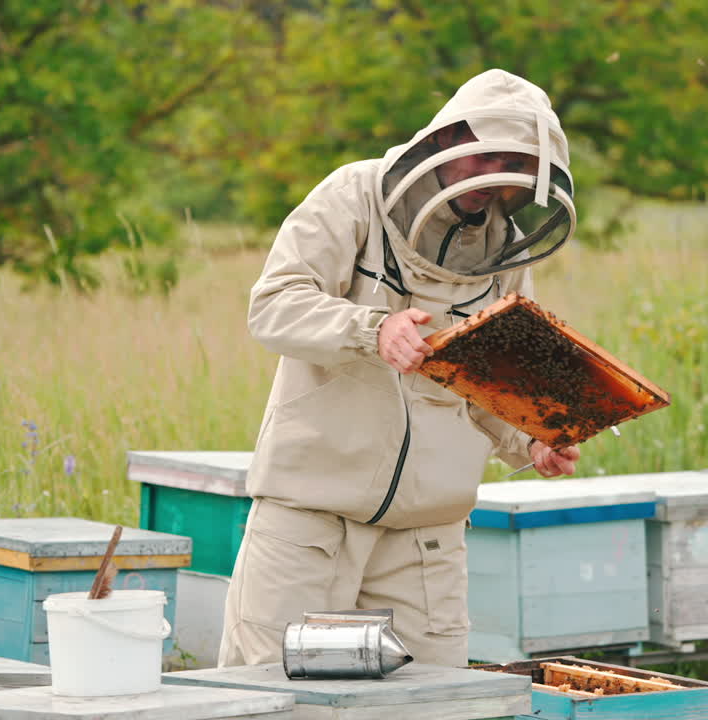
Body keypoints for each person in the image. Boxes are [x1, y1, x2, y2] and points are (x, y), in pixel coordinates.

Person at [219, 68, 582, 669]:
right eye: (484, 155)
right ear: (446, 137)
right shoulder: (354, 194)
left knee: (432, 702)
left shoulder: (504, 251)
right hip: (311, 517)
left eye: (510, 164)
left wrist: (530, 441)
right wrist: (370, 329)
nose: (491, 176)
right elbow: (273, 305)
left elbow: (491, 379)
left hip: (427, 536)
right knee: (274, 693)